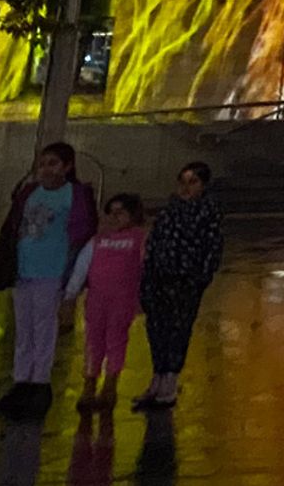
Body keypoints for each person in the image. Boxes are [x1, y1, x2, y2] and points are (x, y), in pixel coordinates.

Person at [0, 140, 99, 419]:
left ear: (67, 167)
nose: (46, 169)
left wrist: (72, 280)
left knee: (43, 329)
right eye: (42, 164)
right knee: (24, 330)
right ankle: (21, 381)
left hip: (51, 271)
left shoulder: (74, 195)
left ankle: (39, 383)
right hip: (23, 269)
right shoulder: (29, 192)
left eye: (53, 164)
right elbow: (13, 227)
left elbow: (83, 236)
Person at [134, 161, 221, 410]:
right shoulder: (169, 211)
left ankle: (170, 380)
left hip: (185, 281)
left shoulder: (208, 214)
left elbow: (213, 247)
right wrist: (148, 273)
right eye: (182, 181)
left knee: (178, 329)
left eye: (193, 182)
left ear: (203, 185)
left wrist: (199, 277)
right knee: (157, 328)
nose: (186, 188)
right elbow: (154, 242)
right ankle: (158, 376)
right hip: (158, 279)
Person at [64, 193, 146, 414]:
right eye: (110, 212)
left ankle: (110, 385)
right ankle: (89, 384)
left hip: (122, 302)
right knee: (93, 341)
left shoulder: (139, 240)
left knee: (116, 341)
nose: (114, 217)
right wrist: (71, 294)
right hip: (96, 302)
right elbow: (82, 267)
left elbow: (146, 269)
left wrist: (144, 298)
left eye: (121, 213)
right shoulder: (97, 241)